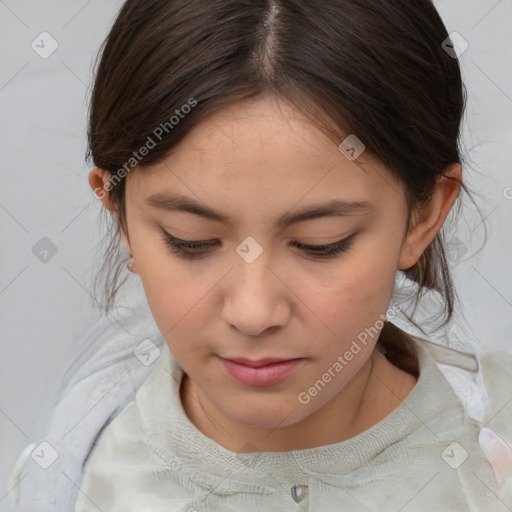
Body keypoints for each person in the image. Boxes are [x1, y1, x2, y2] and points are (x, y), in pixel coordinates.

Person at [5, 1, 512, 510]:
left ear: (423, 214)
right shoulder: (72, 476)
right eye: (190, 240)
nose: (252, 313)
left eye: (321, 243)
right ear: (118, 212)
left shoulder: (491, 462)